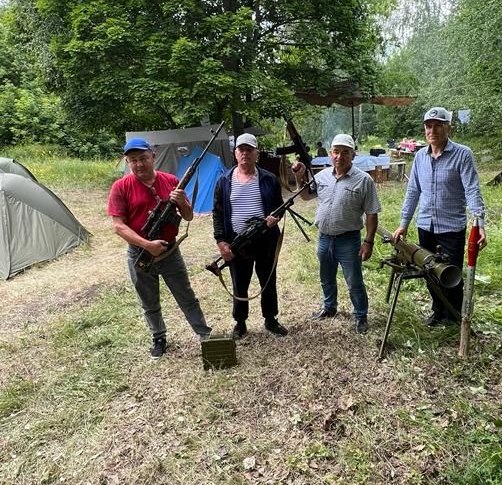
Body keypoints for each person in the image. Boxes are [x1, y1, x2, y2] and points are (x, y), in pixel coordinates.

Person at [108, 137, 211, 359]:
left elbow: (188, 215)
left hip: (170, 252)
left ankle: (204, 334)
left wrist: (182, 201)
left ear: (152, 157)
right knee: (149, 300)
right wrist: (147, 245)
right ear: (127, 161)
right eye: (133, 160)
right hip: (140, 252)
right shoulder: (120, 187)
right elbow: (118, 226)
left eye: (143, 158)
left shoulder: (171, 180)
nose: (139, 164)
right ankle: (159, 337)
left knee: (186, 295)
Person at [392, 106, 487, 326]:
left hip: (451, 227)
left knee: (451, 275)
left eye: (438, 126)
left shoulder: (462, 154)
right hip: (426, 225)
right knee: (429, 271)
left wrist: (479, 223)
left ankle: (455, 316)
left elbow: (472, 190)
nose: (432, 130)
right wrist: (403, 223)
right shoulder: (419, 157)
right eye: (428, 126)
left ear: (448, 128)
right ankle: (438, 312)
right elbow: (413, 191)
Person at [293, 133, 380, 334]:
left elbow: (371, 213)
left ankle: (360, 316)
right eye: (336, 152)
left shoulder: (364, 180)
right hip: (324, 237)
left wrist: (368, 242)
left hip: (349, 240)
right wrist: (299, 178)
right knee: (326, 277)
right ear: (330, 154)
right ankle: (329, 307)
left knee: (354, 281)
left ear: (353, 154)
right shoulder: (322, 176)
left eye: (345, 152)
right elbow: (305, 196)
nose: (339, 156)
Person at [212, 133, 288, 339]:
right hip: (238, 242)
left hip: (265, 240)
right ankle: (240, 323)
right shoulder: (224, 181)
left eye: (249, 150)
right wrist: (221, 241)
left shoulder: (269, 179)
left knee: (268, 281)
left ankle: (271, 319)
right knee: (240, 283)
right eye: (241, 150)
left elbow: (278, 206)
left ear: (257, 154)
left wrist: (275, 218)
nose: (245, 153)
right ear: (235, 153)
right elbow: (217, 213)